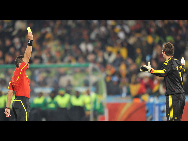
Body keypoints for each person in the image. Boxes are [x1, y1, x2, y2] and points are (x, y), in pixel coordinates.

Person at [140, 42, 185, 121]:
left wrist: (151, 70)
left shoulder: (169, 63)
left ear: (164, 53)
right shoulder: (176, 62)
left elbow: (163, 73)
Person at [4, 30, 33, 121]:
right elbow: (27, 55)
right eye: (25, 62)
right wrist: (30, 41)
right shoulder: (19, 71)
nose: (27, 63)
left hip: (16, 101)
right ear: (20, 63)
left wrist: (7, 107)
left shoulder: (14, 77)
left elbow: (10, 93)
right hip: (22, 101)